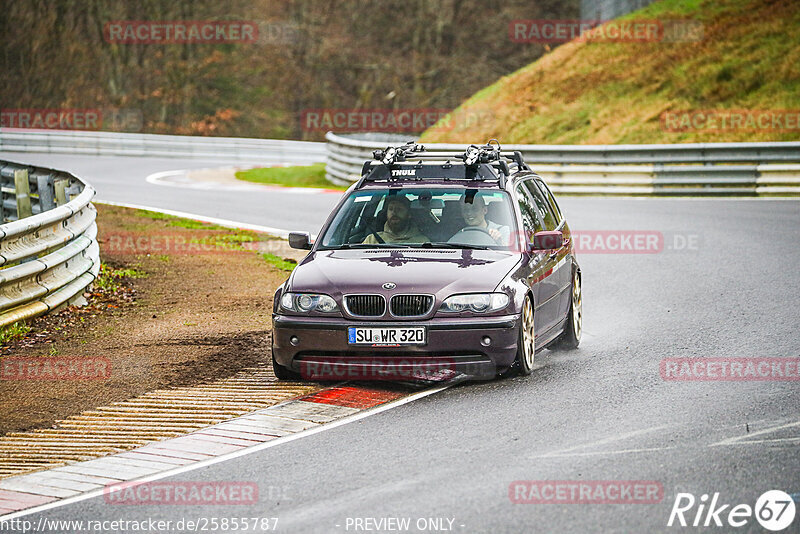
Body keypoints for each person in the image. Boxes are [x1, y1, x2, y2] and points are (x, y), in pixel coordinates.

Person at [363, 195, 428, 244]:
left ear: (409, 214)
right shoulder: (371, 240)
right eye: (391, 209)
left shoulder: (422, 242)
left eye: (399, 209)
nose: (394, 212)